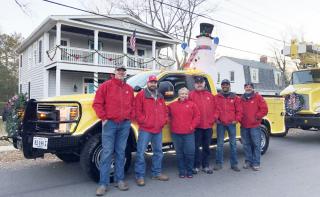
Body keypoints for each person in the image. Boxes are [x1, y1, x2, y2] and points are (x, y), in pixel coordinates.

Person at [92, 65, 134, 196]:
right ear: (114, 73)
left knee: (121, 152)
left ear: (125, 74)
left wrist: (129, 118)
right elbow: (97, 103)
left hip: (124, 124)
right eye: (119, 71)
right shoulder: (105, 86)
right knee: (107, 152)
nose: (121, 73)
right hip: (110, 124)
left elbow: (133, 105)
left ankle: (119, 180)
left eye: (123, 71)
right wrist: (103, 118)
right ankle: (103, 184)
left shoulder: (129, 89)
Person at [134, 75, 169, 186]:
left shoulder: (160, 96)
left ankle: (156, 173)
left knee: (158, 152)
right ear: (148, 83)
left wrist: (163, 121)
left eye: (155, 82)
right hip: (145, 129)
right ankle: (139, 176)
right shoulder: (141, 95)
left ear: (156, 83)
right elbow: (137, 111)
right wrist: (144, 121)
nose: (153, 84)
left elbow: (165, 110)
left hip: (158, 128)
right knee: (140, 153)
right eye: (151, 82)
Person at [168, 87, 200, 178]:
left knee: (190, 152)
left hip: (189, 133)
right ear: (178, 94)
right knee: (179, 153)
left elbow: (197, 116)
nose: (184, 95)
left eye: (186, 94)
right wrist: (170, 121)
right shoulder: (172, 105)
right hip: (176, 133)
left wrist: (192, 126)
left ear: (188, 95)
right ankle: (182, 171)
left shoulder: (192, 105)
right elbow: (166, 113)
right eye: (182, 93)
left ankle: (189, 171)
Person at [189, 76, 218, 174]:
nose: (199, 84)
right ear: (194, 84)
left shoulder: (210, 95)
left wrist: (213, 119)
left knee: (206, 147)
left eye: (201, 82)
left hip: (208, 126)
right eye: (197, 82)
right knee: (196, 147)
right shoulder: (190, 95)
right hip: (197, 127)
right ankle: (196, 166)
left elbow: (216, 109)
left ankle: (205, 166)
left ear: (204, 84)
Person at [214, 79, 242, 172]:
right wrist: (216, 118)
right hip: (220, 123)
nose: (225, 86)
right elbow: (215, 109)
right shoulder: (217, 97)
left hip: (231, 123)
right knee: (220, 144)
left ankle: (234, 164)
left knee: (233, 144)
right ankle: (219, 163)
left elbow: (239, 110)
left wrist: (237, 120)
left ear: (229, 86)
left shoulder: (235, 97)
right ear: (221, 86)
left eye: (226, 84)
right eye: (223, 85)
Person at [240, 82, 268, 171]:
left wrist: (257, 117)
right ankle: (248, 161)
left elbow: (264, 109)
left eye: (250, 87)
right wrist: (240, 119)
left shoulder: (258, 97)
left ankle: (256, 163)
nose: (248, 88)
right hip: (244, 125)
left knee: (256, 144)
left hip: (255, 126)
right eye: (246, 87)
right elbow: (238, 110)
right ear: (244, 88)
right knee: (246, 144)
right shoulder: (241, 98)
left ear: (252, 88)